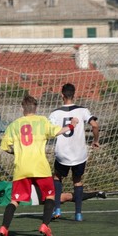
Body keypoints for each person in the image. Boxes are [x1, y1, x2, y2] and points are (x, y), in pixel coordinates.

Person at [0, 95, 79, 236]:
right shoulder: (42, 121)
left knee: (14, 201)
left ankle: (4, 228)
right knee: (50, 196)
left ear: (22, 108)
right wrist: (72, 124)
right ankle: (45, 225)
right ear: (36, 108)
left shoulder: (14, 125)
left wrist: (16, 151)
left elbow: (4, 147)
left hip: (22, 168)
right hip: (40, 167)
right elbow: (58, 131)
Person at [48, 83, 99, 222]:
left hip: (62, 154)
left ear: (62, 95)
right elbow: (94, 125)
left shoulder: (55, 113)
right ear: (74, 94)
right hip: (79, 154)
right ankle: (78, 214)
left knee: (57, 177)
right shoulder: (83, 110)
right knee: (77, 181)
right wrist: (96, 140)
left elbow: (49, 131)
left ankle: (57, 208)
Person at [0, 178, 106, 207]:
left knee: (63, 194)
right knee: (66, 197)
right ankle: (96, 193)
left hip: (35, 188)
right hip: (35, 201)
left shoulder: (6, 185)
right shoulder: (0, 200)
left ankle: (96, 193)